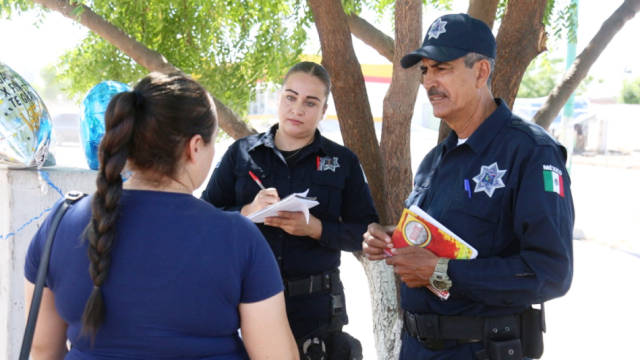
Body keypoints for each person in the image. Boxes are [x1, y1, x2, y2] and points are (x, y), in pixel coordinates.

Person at [24, 72, 298, 360]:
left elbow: (42, 350)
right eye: (212, 142)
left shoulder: (60, 224)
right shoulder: (238, 237)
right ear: (194, 147)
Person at [363, 14, 574, 360]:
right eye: (424, 71)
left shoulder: (531, 152)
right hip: (416, 348)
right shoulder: (437, 159)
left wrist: (440, 272)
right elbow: (439, 240)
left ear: (480, 72)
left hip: (479, 349)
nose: (429, 81)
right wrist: (388, 241)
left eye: (441, 68)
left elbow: (551, 272)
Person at [202, 61, 378, 360]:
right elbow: (203, 221)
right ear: (279, 98)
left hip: (315, 310)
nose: (298, 109)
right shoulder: (242, 153)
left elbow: (365, 231)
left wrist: (316, 229)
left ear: (323, 111)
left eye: (311, 102)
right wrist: (246, 211)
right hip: (245, 303)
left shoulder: (342, 160)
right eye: (291, 97)